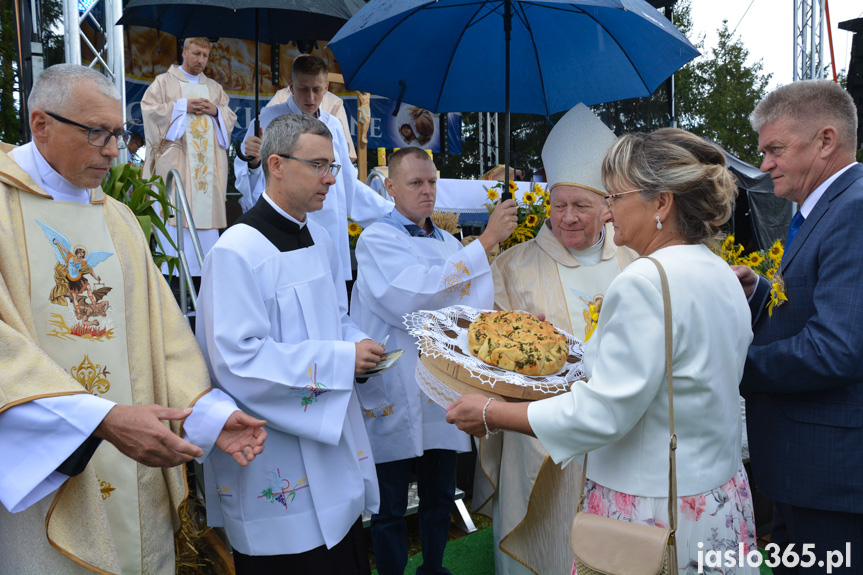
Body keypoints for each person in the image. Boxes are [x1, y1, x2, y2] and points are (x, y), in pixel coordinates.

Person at [447, 128, 759, 574]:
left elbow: (601, 415)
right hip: (717, 497)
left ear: (661, 203)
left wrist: (490, 414)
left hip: (654, 507)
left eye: (614, 197)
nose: (609, 213)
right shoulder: (721, 272)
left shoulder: (644, 279)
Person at [0, 64, 266, 574]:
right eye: (96, 132)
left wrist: (208, 418)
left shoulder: (117, 220)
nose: (112, 150)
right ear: (41, 125)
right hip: (41, 474)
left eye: (119, 134)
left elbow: (164, 338)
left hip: (131, 464)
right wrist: (98, 419)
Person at [196, 113, 385, 575]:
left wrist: (358, 345)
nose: (330, 179)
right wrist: (340, 361)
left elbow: (333, 319)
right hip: (274, 452)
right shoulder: (236, 251)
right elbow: (236, 362)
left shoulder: (318, 236)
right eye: (319, 165)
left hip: (329, 441)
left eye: (333, 167)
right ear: (276, 164)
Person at [477, 103, 636, 575]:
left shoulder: (634, 260)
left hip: (619, 434)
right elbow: (490, 356)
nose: (567, 218)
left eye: (581, 206)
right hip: (542, 439)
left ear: (608, 206)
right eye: (558, 204)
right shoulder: (513, 266)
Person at [349, 147, 517, 575]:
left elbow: (469, 307)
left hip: (440, 387)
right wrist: (484, 243)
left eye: (431, 182)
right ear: (390, 187)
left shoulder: (446, 243)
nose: (427, 191)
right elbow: (410, 299)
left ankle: (434, 569)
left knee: (440, 494)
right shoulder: (375, 239)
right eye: (415, 183)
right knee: (387, 506)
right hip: (396, 383)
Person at [736, 80, 863, 573]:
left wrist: (730, 367)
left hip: (830, 479)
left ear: (826, 141)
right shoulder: (823, 209)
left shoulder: (853, 211)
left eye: (775, 149)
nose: (764, 164)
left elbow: (837, 347)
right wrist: (760, 290)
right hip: (804, 471)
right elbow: (821, 305)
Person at [234, 55, 391, 280]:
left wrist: (392, 214)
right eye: (303, 89)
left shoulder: (334, 125)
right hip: (286, 227)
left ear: (327, 87)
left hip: (329, 226)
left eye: (317, 90)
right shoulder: (266, 120)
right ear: (291, 86)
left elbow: (348, 184)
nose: (310, 97)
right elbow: (247, 185)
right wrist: (254, 162)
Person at [141, 36, 237, 280]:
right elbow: (150, 112)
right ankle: (172, 284)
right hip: (176, 172)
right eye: (196, 54)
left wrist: (216, 112)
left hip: (205, 181)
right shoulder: (163, 83)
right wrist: (182, 107)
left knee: (206, 258)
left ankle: (202, 286)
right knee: (173, 226)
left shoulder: (214, 89)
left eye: (205, 55)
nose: (201, 60)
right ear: (184, 53)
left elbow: (228, 118)